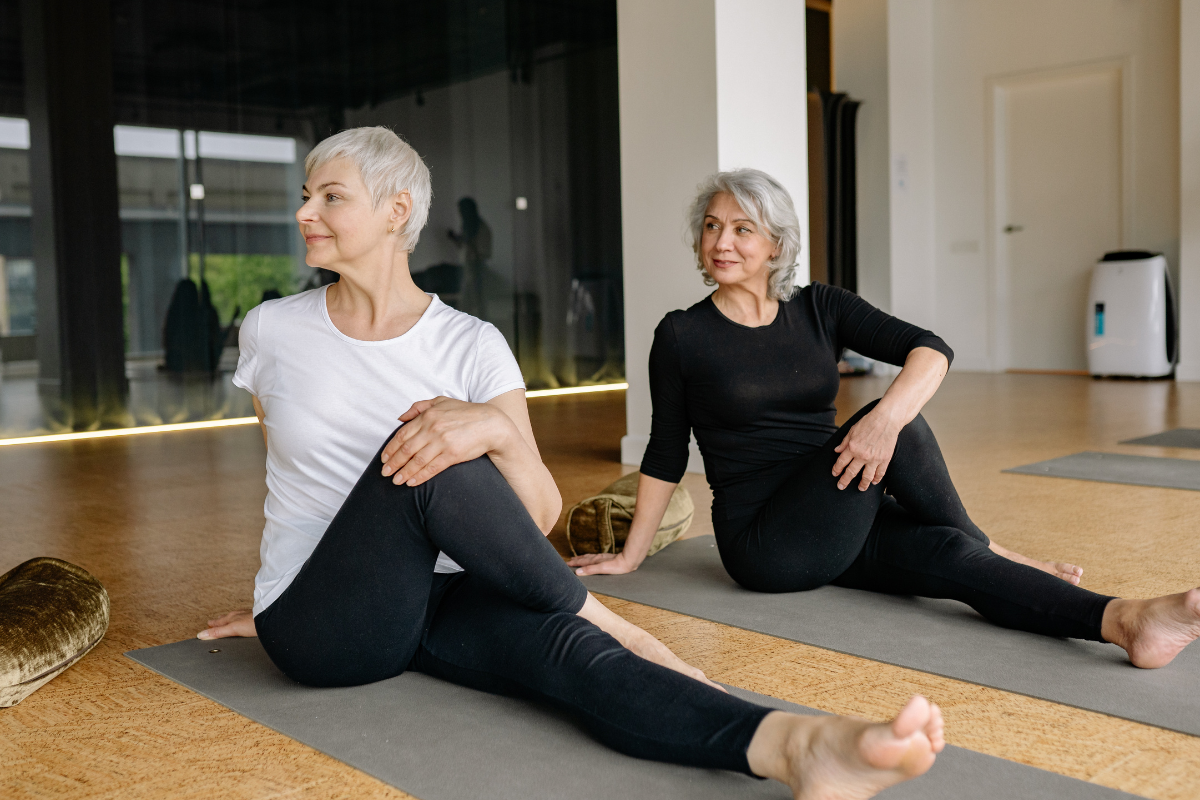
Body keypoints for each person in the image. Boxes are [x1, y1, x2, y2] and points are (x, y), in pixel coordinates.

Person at [196, 128, 946, 799]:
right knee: (436, 453)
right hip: (327, 623)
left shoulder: (472, 343)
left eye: (331, 196)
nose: (304, 213)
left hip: (448, 592)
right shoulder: (272, 330)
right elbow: (292, 483)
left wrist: (494, 426)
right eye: (305, 196)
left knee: (569, 653)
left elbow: (537, 516)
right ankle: (620, 625)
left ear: (397, 212)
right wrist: (285, 593)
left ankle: (797, 745)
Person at [569, 169, 1200, 671]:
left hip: (841, 498)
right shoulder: (681, 334)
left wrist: (884, 420)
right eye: (712, 227)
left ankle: (1125, 622)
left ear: (777, 245)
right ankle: (995, 543)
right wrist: (631, 555)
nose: (722, 242)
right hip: (768, 540)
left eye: (742, 229)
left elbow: (933, 350)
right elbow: (665, 449)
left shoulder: (821, 306)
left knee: (949, 551)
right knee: (895, 429)